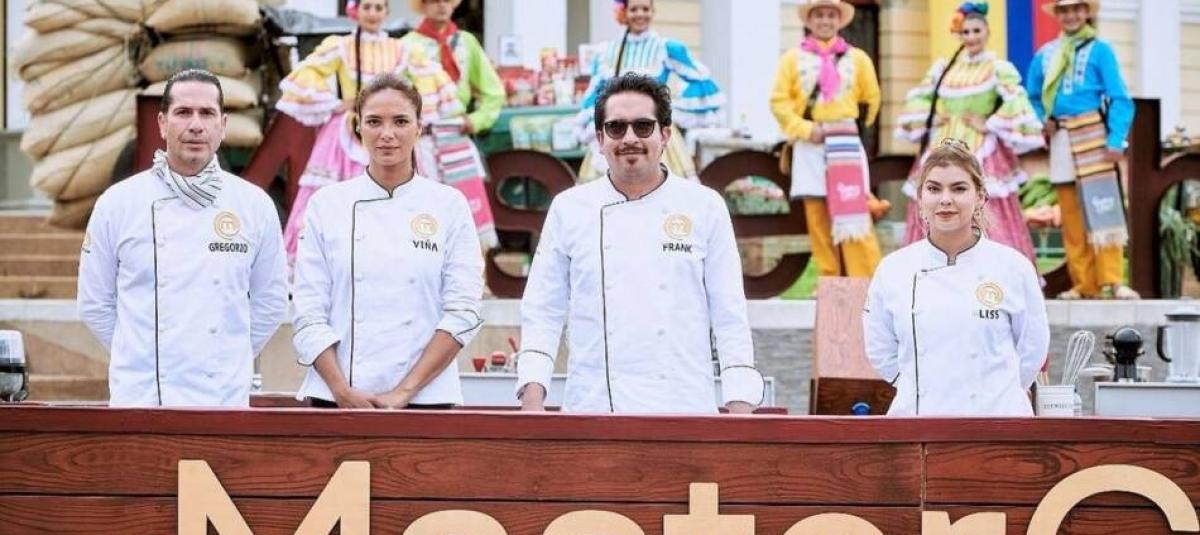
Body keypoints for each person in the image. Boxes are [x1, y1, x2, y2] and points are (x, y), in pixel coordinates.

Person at [515, 73, 763, 414]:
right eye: (616, 128)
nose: (630, 138)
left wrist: (740, 405)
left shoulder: (704, 206)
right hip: (593, 408)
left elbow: (729, 314)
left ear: (665, 135)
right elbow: (543, 309)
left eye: (643, 126)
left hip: (684, 408)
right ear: (600, 139)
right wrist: (532, 398)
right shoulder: (569, 208)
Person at [78, 69, 288, 407]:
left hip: (223, 401)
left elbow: (272, 302)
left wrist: (226, 355)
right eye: (183, 112)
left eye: (207, 113)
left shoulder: (254, 205)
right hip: (141, 399)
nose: (196, 125)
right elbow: (94, 303)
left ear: (223, 124)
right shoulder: (118, 203)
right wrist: (138, 356)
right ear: (162, 123)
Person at [291, 74, 484, 409]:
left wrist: (404, 392)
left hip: (426, 398)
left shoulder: (448, 205)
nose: (387, 134)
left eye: (401, 121)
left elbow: (463, 311)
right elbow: (307, 311)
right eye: (374, 122)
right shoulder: (327, 204)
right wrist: (341, 390)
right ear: (358, 127)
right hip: (336, 399)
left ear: (419, 127)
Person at [276, 0, 495, 269]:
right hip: (348, 133)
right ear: (355, 11)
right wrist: (338, 103)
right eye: (367, 7)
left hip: (389, 128)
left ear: (386, 13)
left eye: (379, 8)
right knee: (334, 197)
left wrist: (409, 110)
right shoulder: (341, 46)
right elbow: (305, 75)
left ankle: (390, 259)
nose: (373, 14)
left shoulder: (400, 48)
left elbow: (431, 81)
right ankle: (324, 262)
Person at [863, 139, 1049, 416]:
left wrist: (999, 391)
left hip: (998, 421)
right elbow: (880, 349)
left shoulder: (1014, 267)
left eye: (959, 188)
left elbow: (1033, 350)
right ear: (920, 198)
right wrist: (919, 386)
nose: (945, 200)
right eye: (934, 189)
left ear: (980, 196)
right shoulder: (893, 270)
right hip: (919, 421)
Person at [897, 1, 1043, 264]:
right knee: (935, 196)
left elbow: (1017, 100)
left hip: (981, 147)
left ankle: (991, 268)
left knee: (985, 201)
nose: (972, 37)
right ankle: (932, 265)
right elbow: (918, 98)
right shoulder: (945, 68)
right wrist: (934, 118)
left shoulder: (997, 68)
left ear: (987, 32)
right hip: (943, 141)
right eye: (966, 32)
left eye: (977, 31)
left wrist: (989, 123)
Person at [1026, 0, 1137, 299]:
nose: (1071, 15)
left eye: (1077, 8)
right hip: (1062, 136)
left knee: (1104, 207)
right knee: (1071, 213)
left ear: (1086, 12)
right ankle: (1083, 284)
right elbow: (1032, 97)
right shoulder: (1045, 54)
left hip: (1093, 135)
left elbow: (1120, 98)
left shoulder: (1101, 50)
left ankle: (1114, 281)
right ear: (1058, 15)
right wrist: (1042, 120)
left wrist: (1116, 140)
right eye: (1064, 10)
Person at [769, 0, 883, 278]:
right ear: (809, 20)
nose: (825, 21)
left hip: (845, 145)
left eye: (831, 15)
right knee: (817, 217)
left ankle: (867, 281)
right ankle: (830, 281)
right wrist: (806, 129)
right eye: (819, 15)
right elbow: (779, 102)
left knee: (854, 211)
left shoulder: (858, 58)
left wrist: (850, 129)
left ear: (839, 20)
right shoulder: (791, 59)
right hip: (810, 144)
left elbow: (871, 99)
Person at [574, 0, 724, 182]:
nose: (640, 14)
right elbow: (595, 93)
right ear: (624, 12)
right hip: (616, 131)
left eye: (645, 9)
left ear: (653, 11)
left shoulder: (666, 48)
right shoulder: (606, 52)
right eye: (634, 9)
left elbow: (700, 79)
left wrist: (673, 110)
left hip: (653, 130)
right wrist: (594, 124)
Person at [401, 0, 506, 134]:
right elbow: (397, 94)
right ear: (423, 5)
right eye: (434, 1)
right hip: (421, 131)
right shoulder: (406, 44)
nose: (442, 5)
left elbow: (494, 91)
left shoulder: (466, 41)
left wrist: (476, 120)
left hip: (458, 128)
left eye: (447, 0)